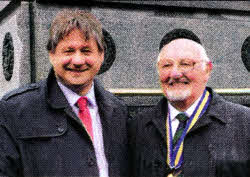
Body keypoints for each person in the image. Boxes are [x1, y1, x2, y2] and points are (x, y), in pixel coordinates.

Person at [0, 10, 130, 176]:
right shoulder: (15, 110)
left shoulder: (118, 111)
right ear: (52, 55)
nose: (77, 61)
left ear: (101, 55)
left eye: (86, 51)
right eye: (68, 51)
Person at [129, 28, 250, 177]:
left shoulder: (244, 124)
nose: (175, 73)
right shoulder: (138, 127)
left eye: (185, 64)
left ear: (207, 69)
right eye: (166, 65)